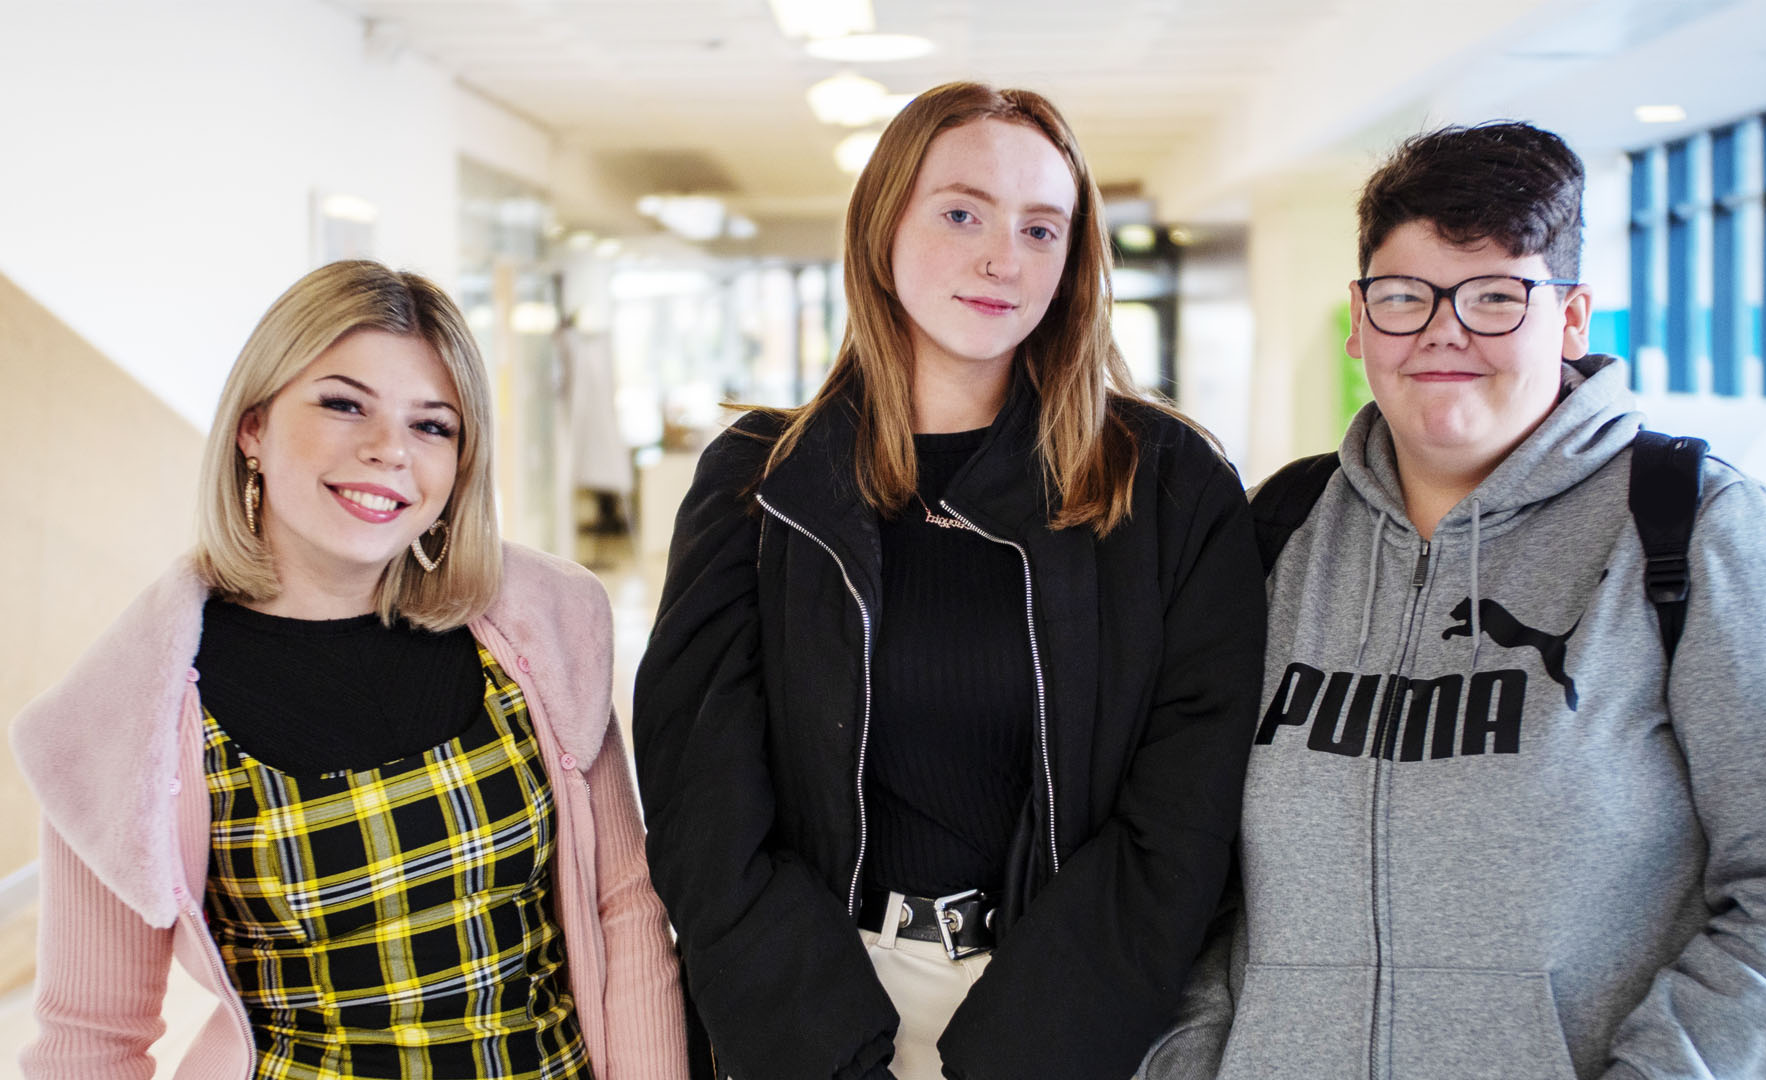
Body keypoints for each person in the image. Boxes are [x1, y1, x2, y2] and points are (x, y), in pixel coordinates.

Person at [1141, 121, 1766, 1080]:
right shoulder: (1276, 532)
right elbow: (1187, 863)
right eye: (1406, 296)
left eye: (1497, 296)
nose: (1443, 332)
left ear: (1573, 317)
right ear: (1360, 315)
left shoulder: (1697, 532)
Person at [631, 82, 1265, 1080]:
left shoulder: (1167, 486)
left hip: (1070, 1018)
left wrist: (1027, 1051)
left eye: (1042, 228)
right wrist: (826, 1053)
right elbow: (703, 808)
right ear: (880, 222)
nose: (1002, 258)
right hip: (812, 1010)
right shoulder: (762, 483)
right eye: (962, 212)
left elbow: (1185, 814)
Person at [13, 260, 687, 1079]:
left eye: (432, 426)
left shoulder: (543, 632)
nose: (388, 451)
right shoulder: (124, 715)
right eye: (343, 404)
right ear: (251, 428)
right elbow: (94, 1039)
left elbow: (625, 910)